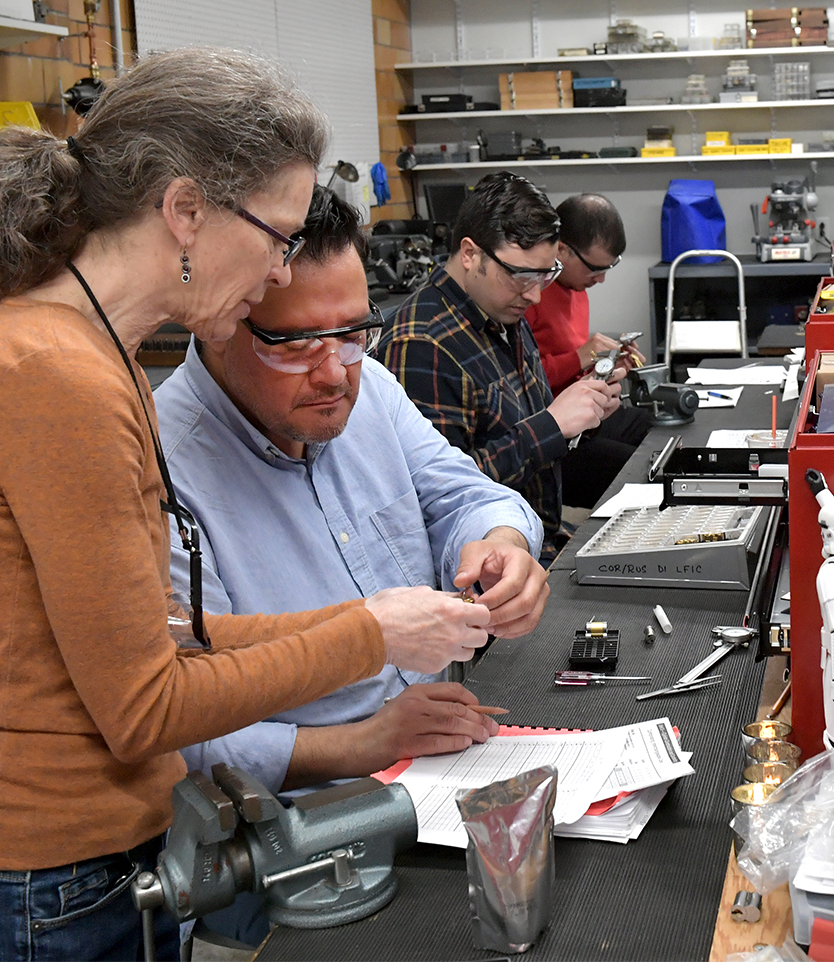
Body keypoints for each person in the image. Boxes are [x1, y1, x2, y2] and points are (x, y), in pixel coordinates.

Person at [0, 48, 491, 962]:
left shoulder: (96, 358)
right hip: (26, 884)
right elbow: (144, 705)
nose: (280, 268)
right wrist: (368, 635)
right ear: (185, 212)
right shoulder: (53, 374)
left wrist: (380, 620)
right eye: (278, 234)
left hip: (95, 867)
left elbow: (169, 632)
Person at [153, 184, 549, 945]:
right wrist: (364, 743)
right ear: (221, 318)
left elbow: (464, 494)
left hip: (441, 771)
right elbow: (177, 719)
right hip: (298, 843)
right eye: (298, 342)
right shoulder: (163, 468)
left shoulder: (368, 394)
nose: (335, 373)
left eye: (354, 331)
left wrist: (499, 544)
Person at [378, 172, 624, 561]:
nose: (534, 293)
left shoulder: (503, 308)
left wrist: (584, 415)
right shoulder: (421, 344)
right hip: (493, 570)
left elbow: (525, 429)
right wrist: (551, 425)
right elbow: (437, 495)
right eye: (521, 275)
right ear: (470, 253)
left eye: (546, 275)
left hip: (544, 535)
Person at [524, 193, 653, 508]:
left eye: (609, 267)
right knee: (641, 473)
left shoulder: (577, 287)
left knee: (662, 428)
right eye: (595, 269)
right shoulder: (529, 296)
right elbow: (524, 383)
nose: (602, 279)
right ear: (562, 250)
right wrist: (581, 356)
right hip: (553, 437)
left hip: (588, 417)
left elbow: (570, 369)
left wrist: (608, 361)